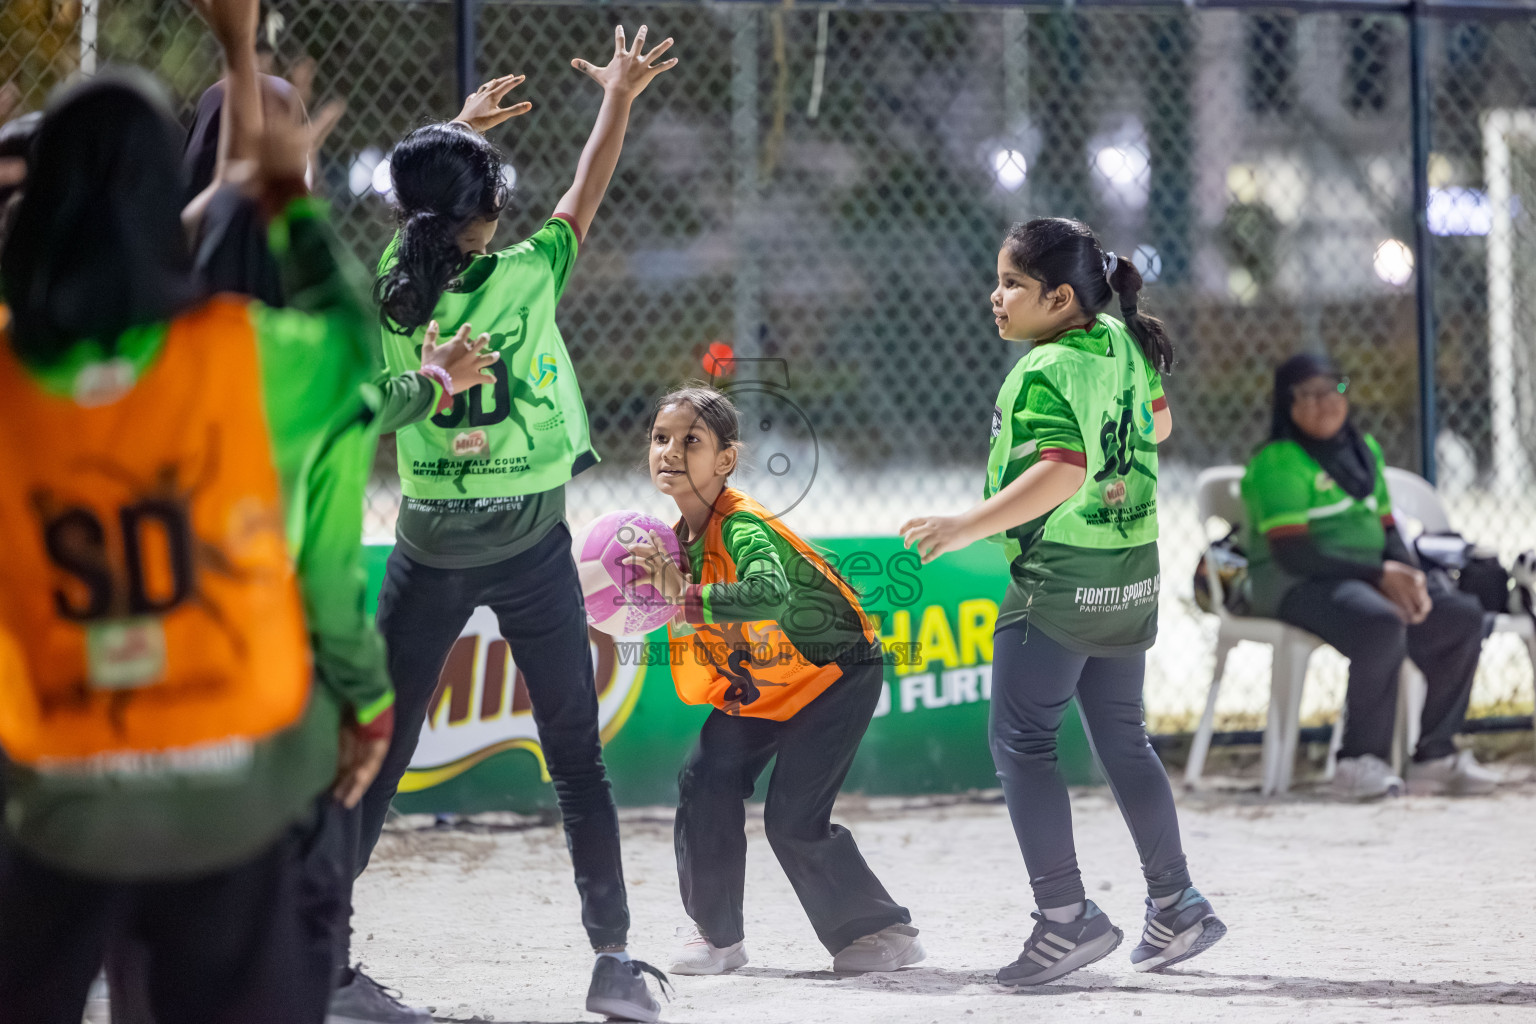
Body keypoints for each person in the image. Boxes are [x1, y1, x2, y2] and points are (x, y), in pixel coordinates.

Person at [0, 29, 389, 1024]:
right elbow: (355, 350)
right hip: (229, 788)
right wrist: (289, 199)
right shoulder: (235, 360)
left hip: (55, 795)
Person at [342, 25, 678, 1024]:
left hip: (431, 544)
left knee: (378, 754)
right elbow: (588, 186)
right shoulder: (527, 274)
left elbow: (418, 199)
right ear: (485, 219)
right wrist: (617, 97)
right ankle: (614, 957)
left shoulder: (385, 292)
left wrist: (452, 133)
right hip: (530, 547)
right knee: (577, 754)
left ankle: (318, 957)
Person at [901, 218, 1225, 984]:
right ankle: (1176, 904)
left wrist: (963, 526)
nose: (997, 295)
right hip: (1132, 568)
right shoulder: (1120, 341)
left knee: (1021, 741)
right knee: (1123, 737)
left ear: (1060, 296)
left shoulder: (1042, 370)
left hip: (1062, 579)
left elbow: (1063, 469)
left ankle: (1065, 920)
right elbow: (1161, 422)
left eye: (1013, 283)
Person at [623, 384, 924, 977]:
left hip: (835, 674)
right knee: (704, 777)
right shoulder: (671, 540)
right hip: (765, 682)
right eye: (661, 439)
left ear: (726, 459)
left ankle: (885, 932)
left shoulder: (742, 527)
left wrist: (685, 599)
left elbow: (769, 592)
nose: (670, 451)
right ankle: (717, 937)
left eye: (692, 440)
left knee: (792, 819)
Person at [1241, 353, 1498, 800]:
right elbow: (1294, 552)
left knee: (1460, 616)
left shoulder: (1364, 451)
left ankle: (1434, 756)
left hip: (1361, 578)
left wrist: (1413, 578)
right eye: (1309, 394)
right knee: (1379, 623)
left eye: (1333, 389)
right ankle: (1358, 761)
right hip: (1294, 583)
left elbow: (1388, 529)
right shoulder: (1279, 461)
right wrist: (1380, 575)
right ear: (1287, 403)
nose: (1326, 402)